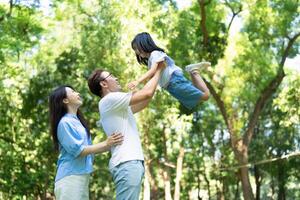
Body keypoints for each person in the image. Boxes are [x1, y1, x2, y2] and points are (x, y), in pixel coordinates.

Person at [87, 63, 165, 200]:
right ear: (104, 84)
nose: (116, 78)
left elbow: (145, 100)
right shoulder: (109, 100)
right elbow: (146, 94)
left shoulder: (117, 106)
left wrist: (154, 74)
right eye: (111, 76)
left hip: (130, 163)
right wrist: (158, 69)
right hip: (127, 163)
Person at [49, 85, 124, 200]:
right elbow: (79, 151)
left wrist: (109, 144)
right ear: (65, 100)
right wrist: (106, 144)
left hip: (81, 177)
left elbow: (88, 150)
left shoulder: (77, 122)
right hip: (70, 178)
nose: (78, 93)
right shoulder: (65, 123)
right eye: (73, 92)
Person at [129, 32, 210, 112]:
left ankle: (194, 71)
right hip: (171, 86)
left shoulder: (155, 54)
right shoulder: (151, 60)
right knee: (199, 97)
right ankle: (193, 71)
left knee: (205, 96)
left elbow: (153, 71)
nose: (136, 52)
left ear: (143, 43)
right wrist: (140, 91)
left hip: (174, 82)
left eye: (136, 48)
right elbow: (151, 79)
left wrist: (137, 81)